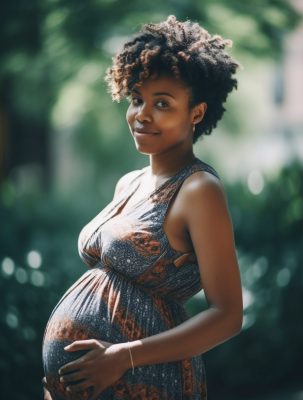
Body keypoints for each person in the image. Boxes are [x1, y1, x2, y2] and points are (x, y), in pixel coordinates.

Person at [42, 15, 243, 400]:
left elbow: (228, 316)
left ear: (196, 113)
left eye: (162, 103)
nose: (141, 115)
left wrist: (122, 358)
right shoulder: (129, 183)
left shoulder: (199, 189)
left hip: (150, 381)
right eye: (136, 100)